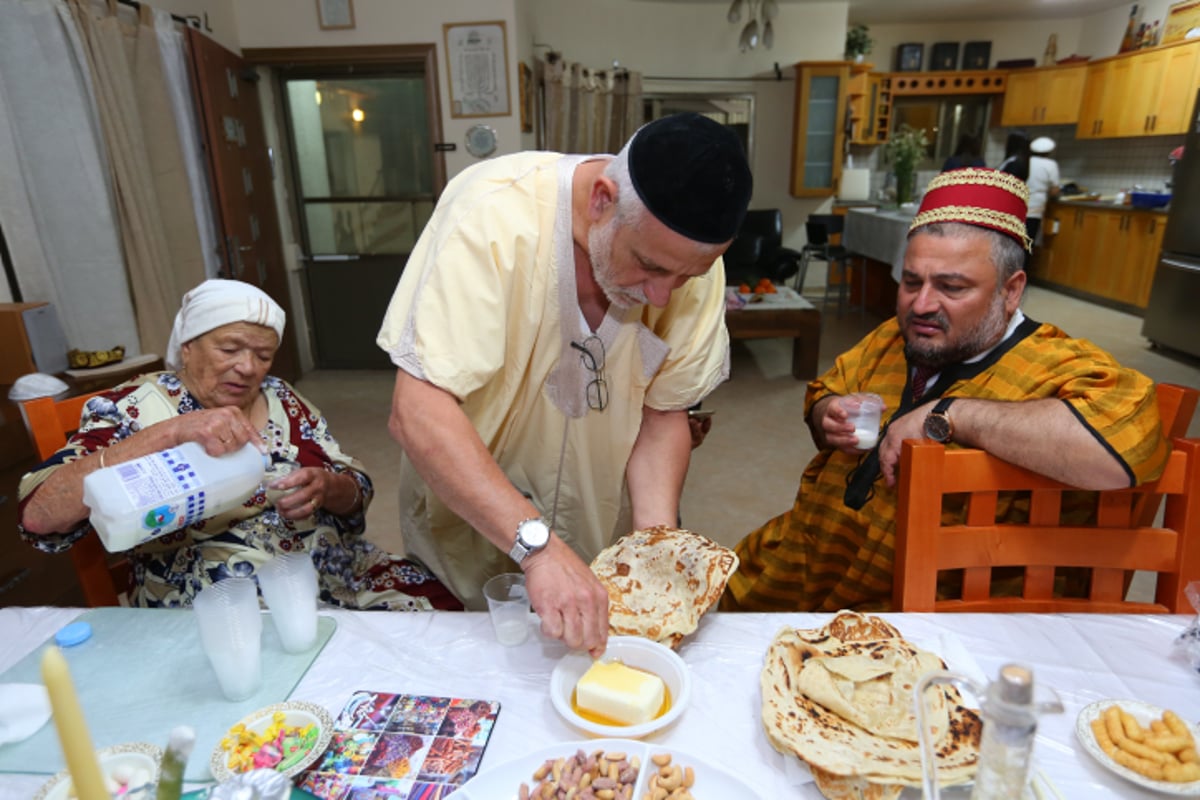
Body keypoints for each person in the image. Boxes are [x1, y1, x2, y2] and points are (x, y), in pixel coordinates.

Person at [376, 113, 753, 654]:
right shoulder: (492, 214)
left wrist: (652, 546)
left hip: (593, 529)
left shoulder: (685, 261)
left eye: (685, 278)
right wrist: (540, 549)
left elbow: (663, 412)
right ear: (602, 198)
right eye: (648, 266)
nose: (662, 296)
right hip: (470, 526)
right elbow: (418, 409)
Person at [721, 168, 1168, 613]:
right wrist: (828, 413)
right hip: (799, 561)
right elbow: (824, 392)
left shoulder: (1057, 365)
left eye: (952, 287)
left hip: (916, 613)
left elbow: (1126, 445)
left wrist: (952, 415)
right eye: (911, 281)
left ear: (1011, 292)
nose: (921, 305)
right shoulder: (891, 339)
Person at [18, 278, 460, 610]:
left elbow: (356, 487)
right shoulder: (132, 409)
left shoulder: (281, 397)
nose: (248, 368)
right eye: (229, 349)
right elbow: (39, 514)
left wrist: (328, 487)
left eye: (263, 356)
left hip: (334, 570)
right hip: (223, 596)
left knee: (443, 608)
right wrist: (170, 433)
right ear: (187, 346)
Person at [1026, 136, 1061, 247]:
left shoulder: (1026, 160)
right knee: (1029, 239)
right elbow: (1054, 190)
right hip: (1036, 205)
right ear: (1049, 151)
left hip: (1019, 203)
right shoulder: (1051, 165)